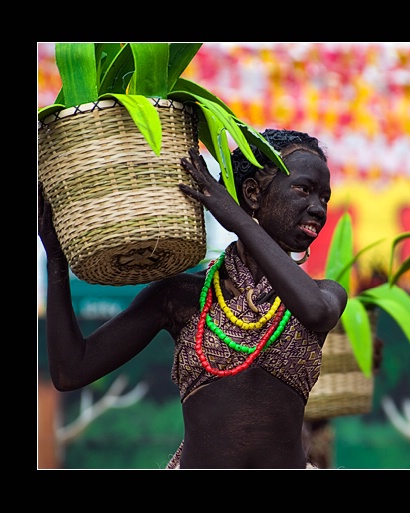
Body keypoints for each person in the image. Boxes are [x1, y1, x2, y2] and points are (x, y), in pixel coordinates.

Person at [38, 129, 348, 469]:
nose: (318, 208)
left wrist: (238, 221)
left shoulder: (324, 294)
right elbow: (71, 370)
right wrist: (56, 256)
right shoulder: (182, 296)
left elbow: (316, 312)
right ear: (253, 194)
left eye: (325, 198)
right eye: (304, 189)